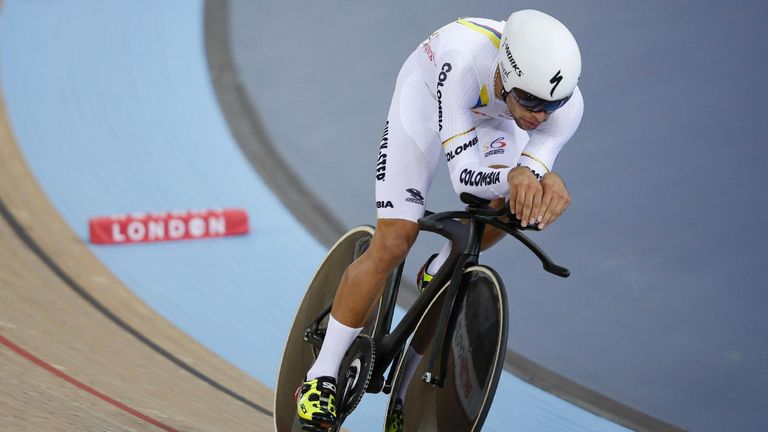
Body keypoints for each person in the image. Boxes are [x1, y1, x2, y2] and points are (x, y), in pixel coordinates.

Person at [295, 9, 583, 430]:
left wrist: (541, 190)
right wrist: (518, 178)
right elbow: (466, 180)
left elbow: (523, 179)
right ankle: (319, 377)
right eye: (533, 102)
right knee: (394, 240)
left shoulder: (563, 108)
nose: (540, 117)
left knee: (506, 209)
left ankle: (439, 273)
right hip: (428, 103)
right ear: (504, 74)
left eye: (551, 106)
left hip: (495, 119)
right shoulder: (465, 62)